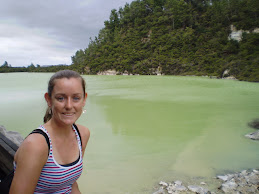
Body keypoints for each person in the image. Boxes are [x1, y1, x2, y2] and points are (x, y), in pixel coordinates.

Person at [10, 70, 90, 194]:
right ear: (49, 100)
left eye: (76, 98)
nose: (69, 105)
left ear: (84, 99)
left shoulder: (82, 134)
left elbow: (71, 183)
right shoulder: (36, 144)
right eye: (60, 98)